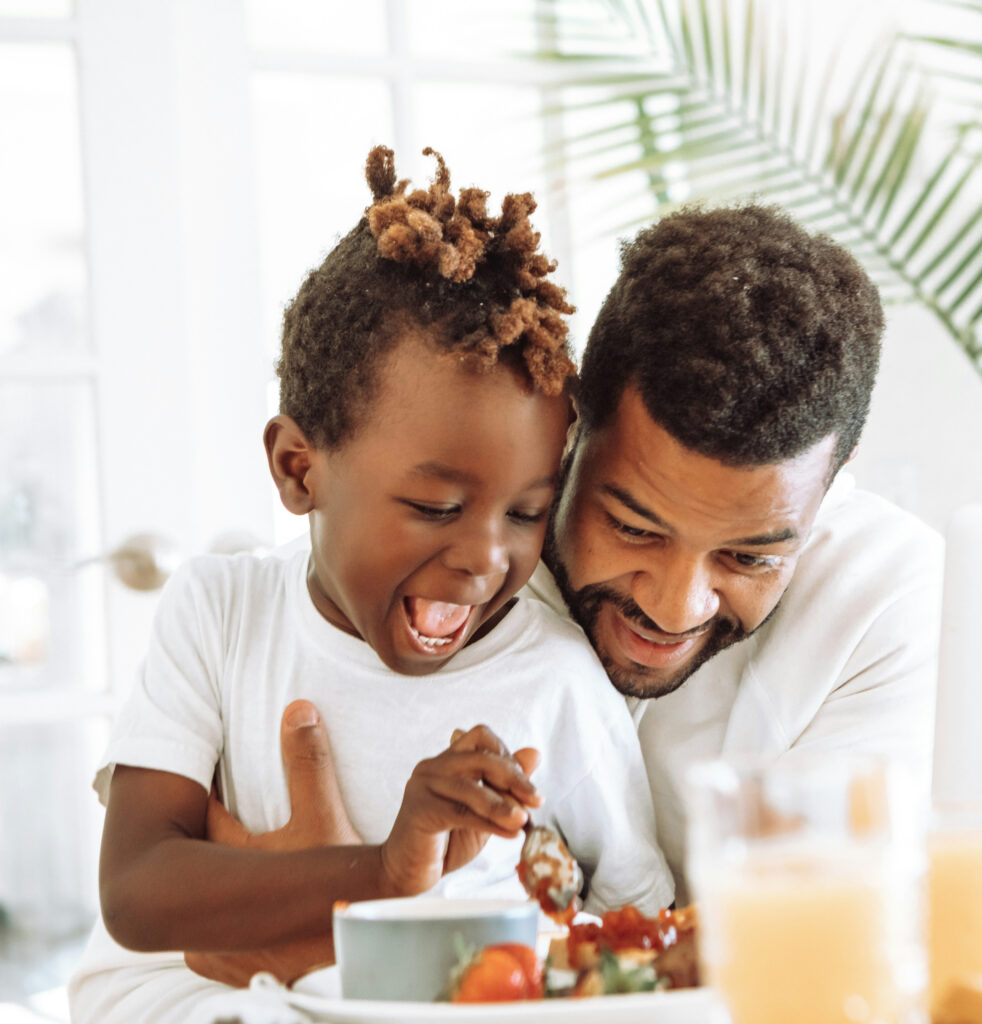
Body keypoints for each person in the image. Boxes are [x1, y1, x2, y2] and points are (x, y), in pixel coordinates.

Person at [68, 146, 673, 1024]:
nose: (483, 560)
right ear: (298, 469)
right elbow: (136, 889)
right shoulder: (222, 614)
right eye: (435, 505)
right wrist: (388, 870)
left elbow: (638, 931)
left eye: (525, 512)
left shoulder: (553, 677)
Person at [231, 199, 943, 929]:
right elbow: (143, 961)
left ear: (832, 482)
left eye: (749, 557)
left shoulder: (881, 595)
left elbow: (819, 952)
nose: (675, 608)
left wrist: (301, 935)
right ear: (571, 427)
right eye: (634, 528)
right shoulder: (421, 589)